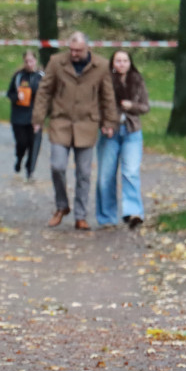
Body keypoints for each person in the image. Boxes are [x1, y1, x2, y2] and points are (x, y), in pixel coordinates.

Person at [31, 31, 119, 231]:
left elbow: (107, 96)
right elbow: (44, 91)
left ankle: (81, 215)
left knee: (84, 173)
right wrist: (38, 118)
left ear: (88, 48)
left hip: (87, 124)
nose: (74, 54)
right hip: (61, 123)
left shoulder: (101, 66)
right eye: (71, 49)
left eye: (78, 50)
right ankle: (62, 206)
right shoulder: (56, 62)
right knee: (57, 166)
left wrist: (109, 121)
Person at [96, 50, 149, 229]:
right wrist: (104, 123)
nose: (121, 64)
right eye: (118, 61)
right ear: (112, 63)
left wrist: (131, 105)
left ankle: (133, 213)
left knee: (131, 172)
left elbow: (145, 106)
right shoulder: (105, 80)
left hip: (132, 131)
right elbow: (98, 106)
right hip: (110, 132)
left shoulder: (137, 80)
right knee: (106, 176)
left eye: (125, 61)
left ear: (130, 63)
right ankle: (106, 217)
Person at [5, 50, 43, 177]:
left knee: (33, 144)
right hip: (19, 116)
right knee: (22, 142)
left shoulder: (41, 77)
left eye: (31, 61)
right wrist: (17, 97)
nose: (29, 64)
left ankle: (29, 170)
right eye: (26, 61)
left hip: (34, 117)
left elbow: (46, 97)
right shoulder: (18, 76)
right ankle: (19, 158)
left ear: (35, 61)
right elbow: (9, 93)